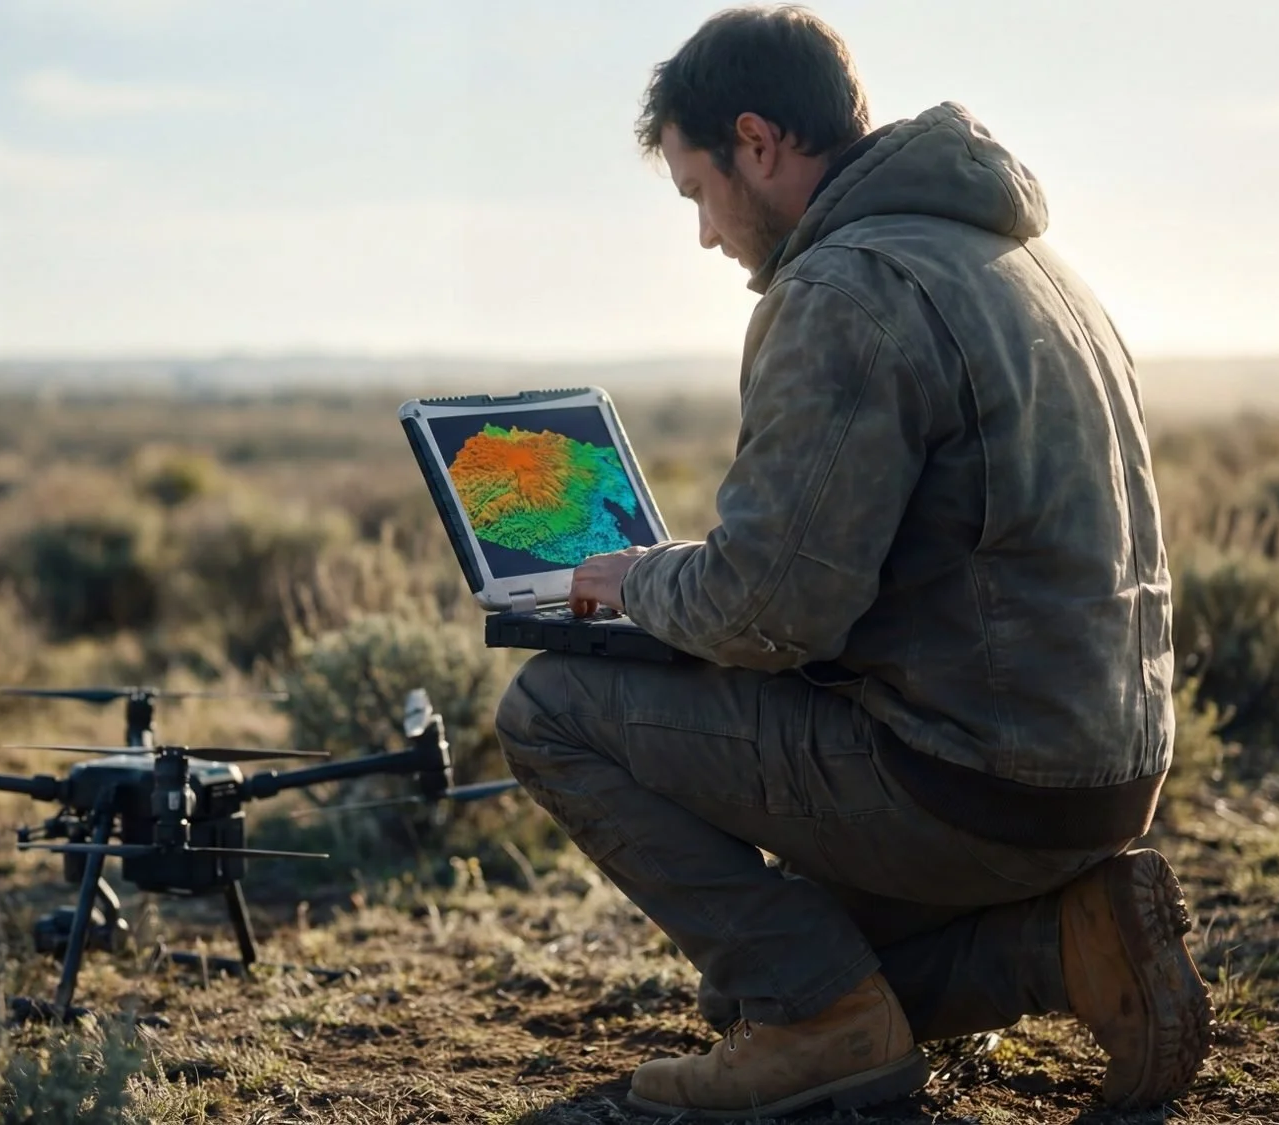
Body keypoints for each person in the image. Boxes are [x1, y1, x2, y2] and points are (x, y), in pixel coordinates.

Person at [494, 5, 1211, 1119]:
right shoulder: (1026, 262)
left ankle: (823, 1030)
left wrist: (635, 580)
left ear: (757, 142)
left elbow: (770, 612)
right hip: (1098, 779)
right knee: (761, 987)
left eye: (696, 192)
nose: (703, 233)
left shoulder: (842, 289)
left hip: (963, 778)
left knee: (549, 706)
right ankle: (1065, 944)